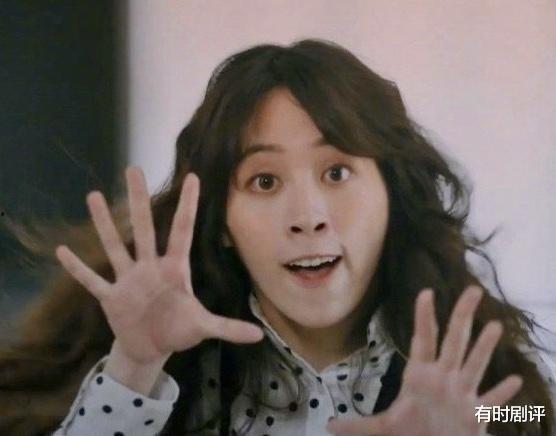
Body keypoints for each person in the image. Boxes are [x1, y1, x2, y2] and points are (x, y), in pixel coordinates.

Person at [0, 39, 554, 436]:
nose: (307, 217)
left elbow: (529, 412)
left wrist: (474, 421)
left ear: (391, 194)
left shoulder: (461, 358)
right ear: (222, 224)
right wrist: (133, 368)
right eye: (264, 181)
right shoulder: (167, 369)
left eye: (336, 172)